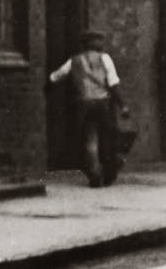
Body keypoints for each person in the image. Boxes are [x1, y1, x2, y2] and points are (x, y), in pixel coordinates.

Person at [46, 31, 127, 187]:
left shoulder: (74, 61)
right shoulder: (105, 58)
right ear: (95, 44)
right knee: (107, 137)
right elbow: (113, 83)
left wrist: (48, 85)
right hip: (103, 103)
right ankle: (109, 172)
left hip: (83, 104)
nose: (103, 44)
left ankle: (94, 174)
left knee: (89, 139)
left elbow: (57, 76)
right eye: (100, 41)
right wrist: (122, 104)